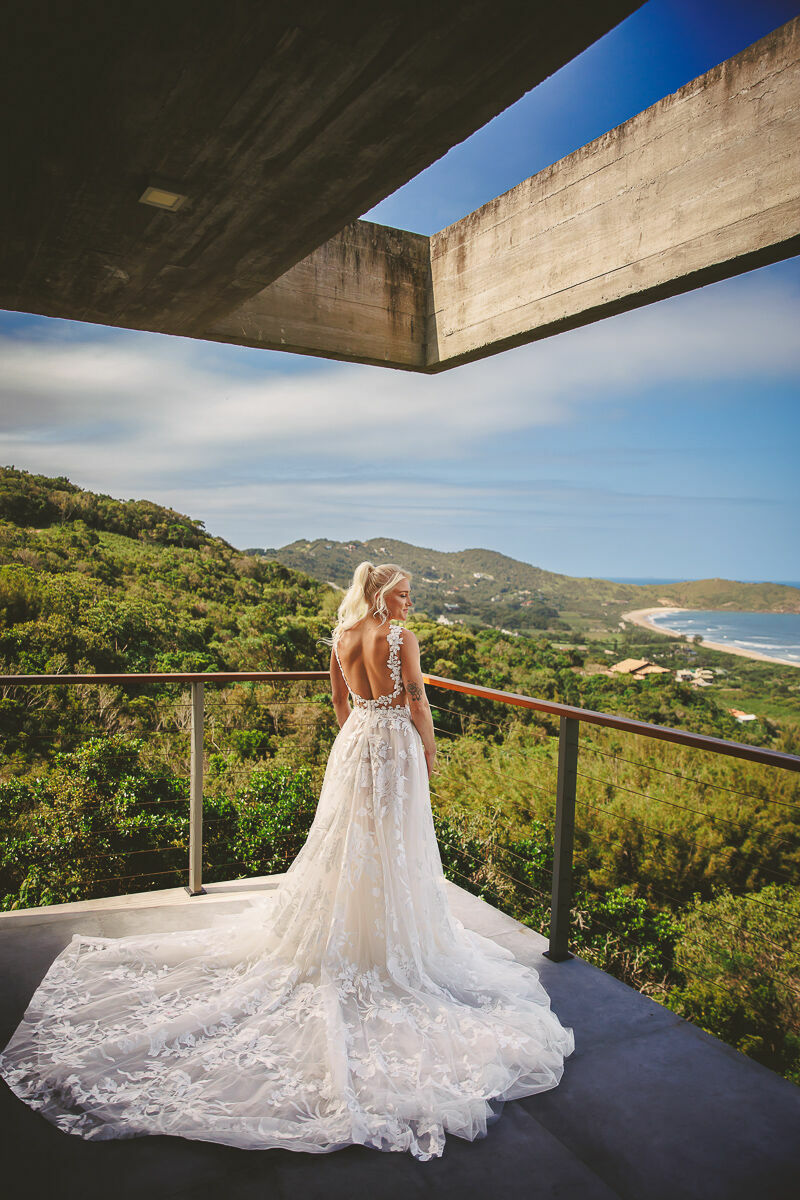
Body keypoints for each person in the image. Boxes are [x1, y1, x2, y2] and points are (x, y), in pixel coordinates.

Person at [0, 561, 574, 1161]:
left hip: (353, 744)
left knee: (352, 844)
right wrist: (425, 750)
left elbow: (337, 700)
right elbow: (420, 701)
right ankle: (385, 940)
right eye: (403, 595)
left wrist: (357, 740)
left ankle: (356, 933)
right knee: (391, 844)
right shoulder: (401, 638)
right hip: (394, 745)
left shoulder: (343, 635)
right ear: (382, 595)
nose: (409, 605)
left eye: (409, 598)